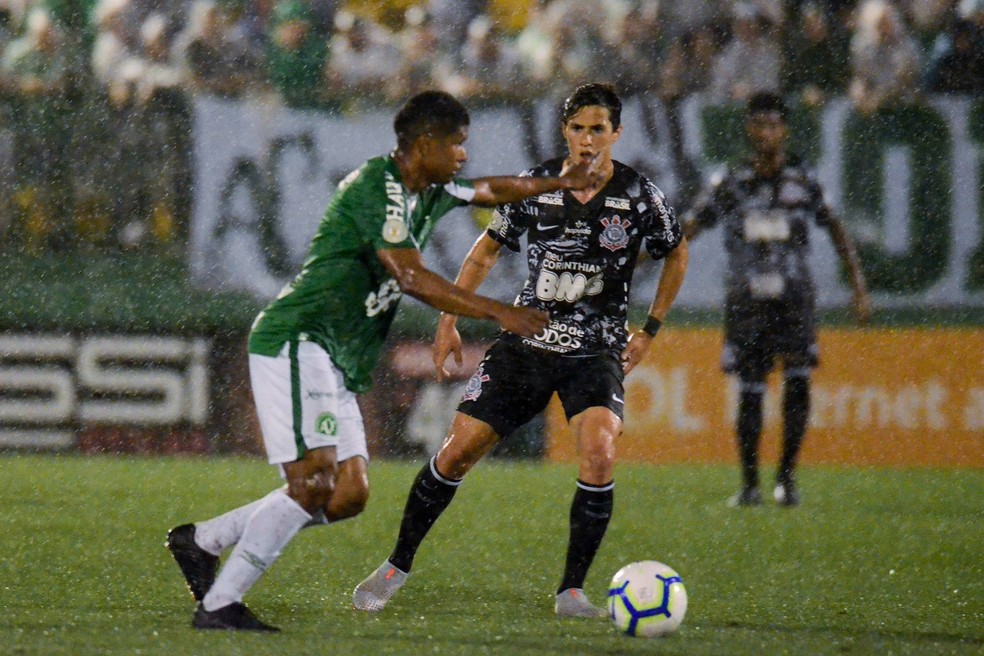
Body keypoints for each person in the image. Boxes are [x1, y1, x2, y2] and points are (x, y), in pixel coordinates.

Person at [165, 90, 600, 632]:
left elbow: (491, 188)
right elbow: (410, 276)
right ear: (424, 145)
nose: (463, 156)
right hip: (300, 339)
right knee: (314, 483)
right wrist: (496, 313)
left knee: (346, 495)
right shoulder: (379, 187)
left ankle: (202, 540)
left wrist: (560, 182)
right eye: (456, 145)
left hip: (336, 356)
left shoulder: (429, 189)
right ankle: (220, 604)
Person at [352, 83, 689, 618]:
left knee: (600, 452)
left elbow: (675, 253)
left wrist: (648, 328)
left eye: (597, 129)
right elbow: (484, 252)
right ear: (565, 132)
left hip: (595, 352)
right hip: (527, 344)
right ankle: (396, 565)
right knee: (457, 453)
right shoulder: (537, 185)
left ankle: (571, 592)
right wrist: (449, 321)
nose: (586, 139)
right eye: (577, 128)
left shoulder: (640, 194)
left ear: (616, 133)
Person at [682, 92, 872, 508]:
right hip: (747, 299)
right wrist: (646, 258)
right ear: (749, 130)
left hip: (794, 297)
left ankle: (786, 478)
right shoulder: (730, 183)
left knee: (798, 378)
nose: (766, 133)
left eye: (774, 125)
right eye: (759, 125)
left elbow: (838, 232)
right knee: (750, 386)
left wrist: (858, 287)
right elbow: (688, 229)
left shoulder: (804, 181)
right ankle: (750, 484)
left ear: (784, 130)